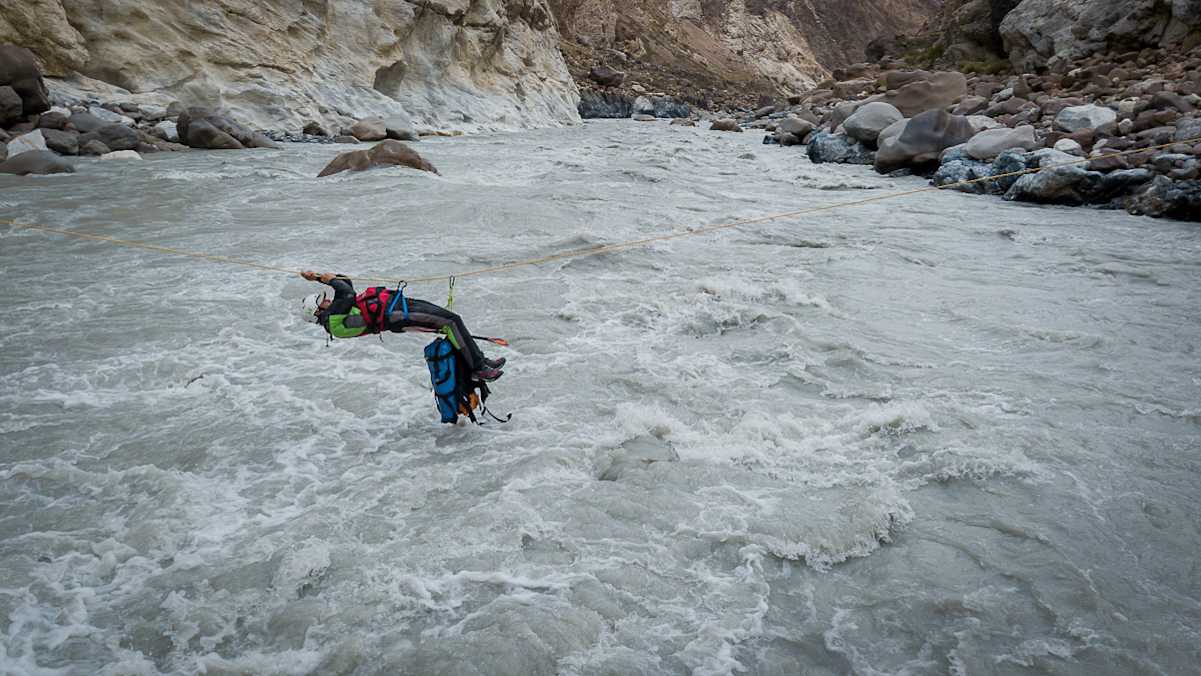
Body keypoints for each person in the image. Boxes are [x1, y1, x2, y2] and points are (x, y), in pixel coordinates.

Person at [299, 271, 504, 381]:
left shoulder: (335, 312)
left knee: (453, 320)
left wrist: (318, 277)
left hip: (398, 306)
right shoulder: (334, 322)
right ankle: (478, 369)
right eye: (322, 301)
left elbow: (345, 282)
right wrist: (329, 281)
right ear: (317, 313)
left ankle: (480, 360)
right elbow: (347, 293)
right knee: (451, 322)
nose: (327, 300)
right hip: (396, 316)